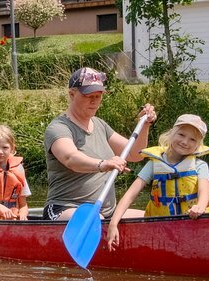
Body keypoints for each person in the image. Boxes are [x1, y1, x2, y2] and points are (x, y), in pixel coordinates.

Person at [42, 67, 156, 220]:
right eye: (88, 95)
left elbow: (135, 154)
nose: (94, 101)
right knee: (96, 218)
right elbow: (70, 159)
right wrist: (103, 164)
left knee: (152, 216)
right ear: (71, 94)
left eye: (98, 95)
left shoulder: (100, 125)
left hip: (107, 213)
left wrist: (145, 126)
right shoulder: (58, 128)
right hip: (64, 209)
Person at [106, 113, 209, 251]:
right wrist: (113, 223)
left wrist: (200, 207)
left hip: (195, 221)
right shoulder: (154, 164)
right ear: (172, 134)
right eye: (181, 135)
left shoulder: (200, 165)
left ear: (198, 145)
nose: (185, 142)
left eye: (192, 139)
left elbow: (204, 191)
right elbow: (130, 194)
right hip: (163, 225)